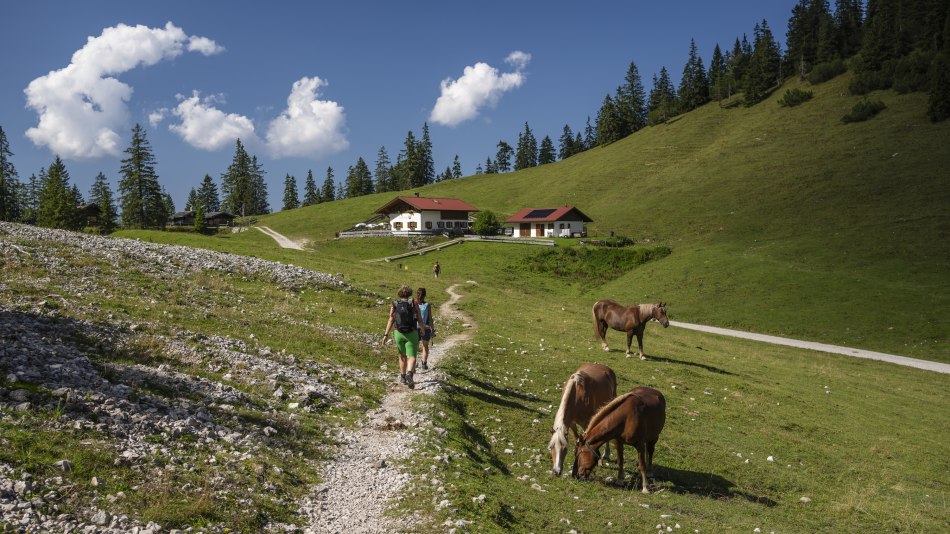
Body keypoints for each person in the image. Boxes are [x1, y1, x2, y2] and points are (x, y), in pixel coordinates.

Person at [382, 285, 425, 389]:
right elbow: (419, 317)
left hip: (398, 333)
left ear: (399, 293)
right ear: (410, 293)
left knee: (402, 355)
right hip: (412, 333)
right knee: (412, 356)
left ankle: (402, 377)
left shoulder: (395, 304)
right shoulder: (413, 303)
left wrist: (385, 334)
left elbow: (391, 319)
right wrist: (422, 328)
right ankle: (409, 373)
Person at [415, 287, 436, 370]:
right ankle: (424, 363)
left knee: (415, 346)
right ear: (425, 295)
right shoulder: (427, 305)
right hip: (426, 328)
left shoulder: (414, 304)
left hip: (415, 328)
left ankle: (414, 362)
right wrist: (432, 330)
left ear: (417, 294)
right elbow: (430, 318)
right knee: (425, 346)